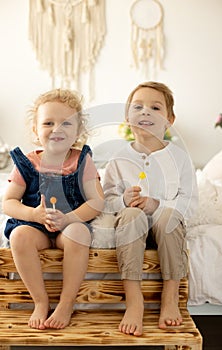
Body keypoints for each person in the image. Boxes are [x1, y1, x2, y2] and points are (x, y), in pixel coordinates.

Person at [2, 89, 104, 330]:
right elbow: (8, 203)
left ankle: (66, 303)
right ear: (36, 130)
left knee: (80, 233)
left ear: (77, 132)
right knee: (18, 236)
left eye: (66, 123)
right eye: (48, 123)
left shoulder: (82, 161)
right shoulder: (27, 163)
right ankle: (40, 300)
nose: (57, 129)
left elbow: (97, 202)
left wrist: (68, 219)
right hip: (35, 226)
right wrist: (33, 214)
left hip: (68, 228)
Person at [102, 81, 198, 336]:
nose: (145, 112)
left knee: (168, 215)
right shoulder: (118, 159)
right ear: (127, 117)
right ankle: (134, 300)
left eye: (155, 108)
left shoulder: (179, 158)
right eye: (138, 107)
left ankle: (170, 295)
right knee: (132, 215)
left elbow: (189, 202)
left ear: (169, 119)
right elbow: (105, 201)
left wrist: (157, 204)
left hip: (166, 225)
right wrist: (123, 200)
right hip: (132, 226)